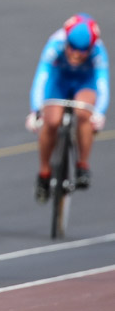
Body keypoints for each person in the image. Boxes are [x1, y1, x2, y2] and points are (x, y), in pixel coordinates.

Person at [26, 13, 109, 203]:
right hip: (59, 82)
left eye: (82, 51)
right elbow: (41, 78)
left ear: (91, 47)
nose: (75, 55)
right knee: (52, 121)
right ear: (66, 42)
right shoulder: (55, 44)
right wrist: (35, 110)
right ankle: (44, 173)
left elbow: (102, 84)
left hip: (84, 83)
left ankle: (82, 165)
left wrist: (99, 113)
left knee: (83, 113)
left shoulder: (99, 51)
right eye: (72, 49)